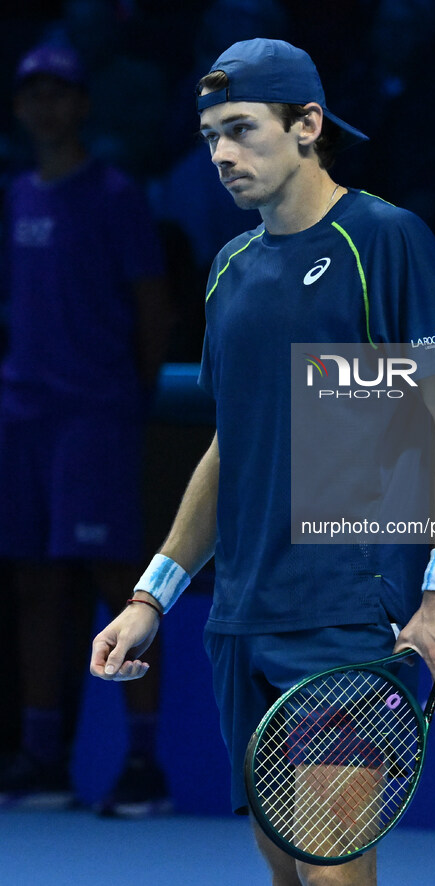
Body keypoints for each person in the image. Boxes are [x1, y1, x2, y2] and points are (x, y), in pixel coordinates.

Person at [90, 38, 435, 884]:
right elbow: (230, 446)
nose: (222, 155)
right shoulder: (229, 270)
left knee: (332, 876)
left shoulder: (381, 239)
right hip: (241, 616)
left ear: (307, 125)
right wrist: (151, 595)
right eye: (209, 137)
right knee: (287, 877)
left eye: (240, 129)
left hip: (345, 613)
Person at [0, 45, 173, 817]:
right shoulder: (15, 197)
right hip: (24, 419)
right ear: (19, 107)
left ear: (82, 106)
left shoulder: (115, 197)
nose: (46, 107)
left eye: (59, 94)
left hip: (95, 416)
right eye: (32, 94)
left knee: (117, 584)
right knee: (36, 584)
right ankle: (45, 761)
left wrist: (123, 402)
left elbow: (151, 311)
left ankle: (143, 766)